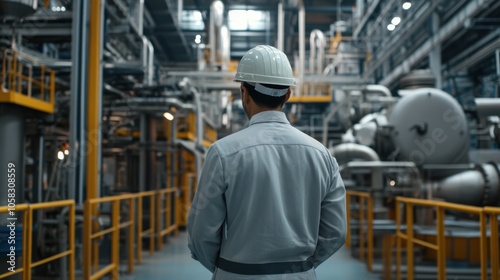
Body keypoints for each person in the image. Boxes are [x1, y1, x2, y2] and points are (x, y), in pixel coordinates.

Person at [187, 45, 346, 280]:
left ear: (244, 92)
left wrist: (226, 268)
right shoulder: (321, 155)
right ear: (288, 94)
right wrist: (302, 266)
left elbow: (201, 232)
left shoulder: (223, 153)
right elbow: (336, 232)